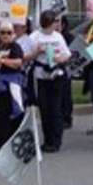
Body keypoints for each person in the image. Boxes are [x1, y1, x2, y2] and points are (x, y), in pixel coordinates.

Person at [24, 10, 70, 153]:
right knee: (44, 109)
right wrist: (37, 52)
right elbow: (25, 57)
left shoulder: (58, 37)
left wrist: (58, 59)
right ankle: (47, 139)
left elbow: (67, 55)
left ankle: (55, 141)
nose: (55, 26)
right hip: (40, 75)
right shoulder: (34, 37)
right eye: (53, 23)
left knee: (55, 108)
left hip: (56, 74)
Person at [0, 20, 26, 160]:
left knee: (15, 118)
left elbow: (18, 62)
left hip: (13, 86)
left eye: (8, 33)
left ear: (13, 34)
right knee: (0, 121)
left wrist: (3, 61)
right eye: (2, 32)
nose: (5, 35)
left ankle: (15, 150)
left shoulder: (15, 47)